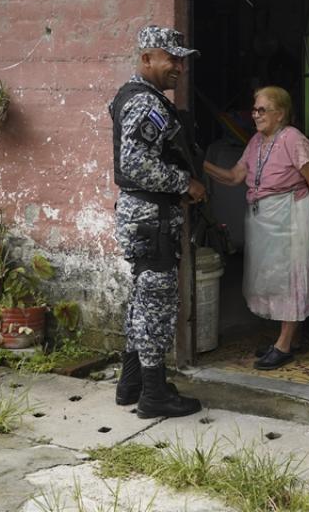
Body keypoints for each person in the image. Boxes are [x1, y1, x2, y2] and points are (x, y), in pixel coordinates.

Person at [109, 25, 207, 418]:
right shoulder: (145, 103)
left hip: (145, 215)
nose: (179, 67)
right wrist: (185, 183)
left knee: (142, 299)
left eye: (182, 60)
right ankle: (153, 396)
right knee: (156, 305)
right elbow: (135, 164)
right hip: (152, 217)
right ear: (147, 58)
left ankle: (132, 383)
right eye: (171, 58)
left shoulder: (134, 95)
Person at [203, 86, 309, 371]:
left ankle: (283, 345)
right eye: (254, 110)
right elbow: (234, 177)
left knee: (289, 275)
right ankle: (291, 339)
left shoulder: (293, 139)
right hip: (264, 217)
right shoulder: (256, 141)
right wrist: (200, 164)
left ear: (280, 114)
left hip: (290, 213)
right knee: (271, 276)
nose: (255, 115)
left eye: (262, 110)